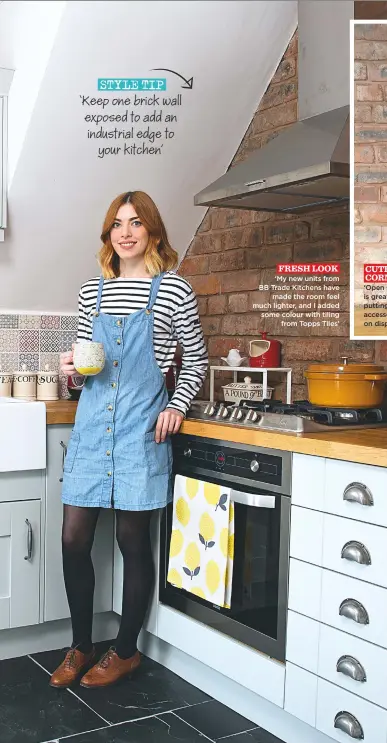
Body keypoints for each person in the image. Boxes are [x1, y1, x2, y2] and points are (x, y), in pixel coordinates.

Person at [49, 190, 208, 689]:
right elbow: (84, 373)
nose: (126, 232)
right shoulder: (91, 292)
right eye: (117, 224)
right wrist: (69, 372)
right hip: (93, 430)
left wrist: (176, 406)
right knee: (74, 539)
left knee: (130, 540)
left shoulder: (175, 290)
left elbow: (195, 362)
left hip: (141, 431)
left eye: (136, 223)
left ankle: (124, 650)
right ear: (108, 235)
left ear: (153, 231)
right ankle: (81, 645)